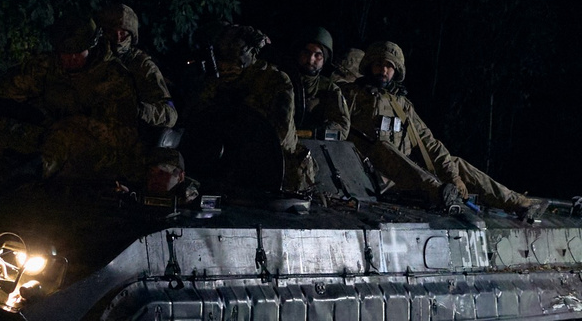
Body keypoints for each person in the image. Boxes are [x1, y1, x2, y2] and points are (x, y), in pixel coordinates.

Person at [0, 13, 156, 188]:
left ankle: (31, 173)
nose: (71, 59)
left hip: (102, 156)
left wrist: (73, 125)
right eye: (65, 53)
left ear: (92, 47)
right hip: (48, 141)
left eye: (78, 53)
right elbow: (4, 93)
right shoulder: (46, 66)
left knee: (65, 136)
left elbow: (122, 136)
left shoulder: (114, 78)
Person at [345, 40, 536, 212]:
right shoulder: (351, 96)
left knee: (456, 163)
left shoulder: (401, 104)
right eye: (379, 64)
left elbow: (428, 142)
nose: (383, 70)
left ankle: (515, 202)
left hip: (410, 173)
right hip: (375, 175)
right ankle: (440, 191)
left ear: (396, 71)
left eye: (389, 66)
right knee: (383, 147)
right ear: (369, 66)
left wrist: (453, 177)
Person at [186, 25, 299, 193]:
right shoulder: (217, 82)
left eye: (231, 61)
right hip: (226, 170)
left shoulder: (275, 81)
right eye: (221, 60)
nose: (224, 67)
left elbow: (280, 134)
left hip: (276, 171)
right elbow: (197, 121)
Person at [94, 3, 181, 136]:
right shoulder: (91, 59)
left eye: (123, 34)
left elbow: (169, 113)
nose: (117, 39)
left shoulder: (141, 65)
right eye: (111, 32)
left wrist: (139, 110)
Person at [291, 27, 352, 141]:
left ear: (325, 60)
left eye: (318, 55)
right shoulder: (283, 79)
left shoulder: (330, 89)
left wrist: (316, 132)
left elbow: (342, 128)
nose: (310, 59)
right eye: (306, 52)